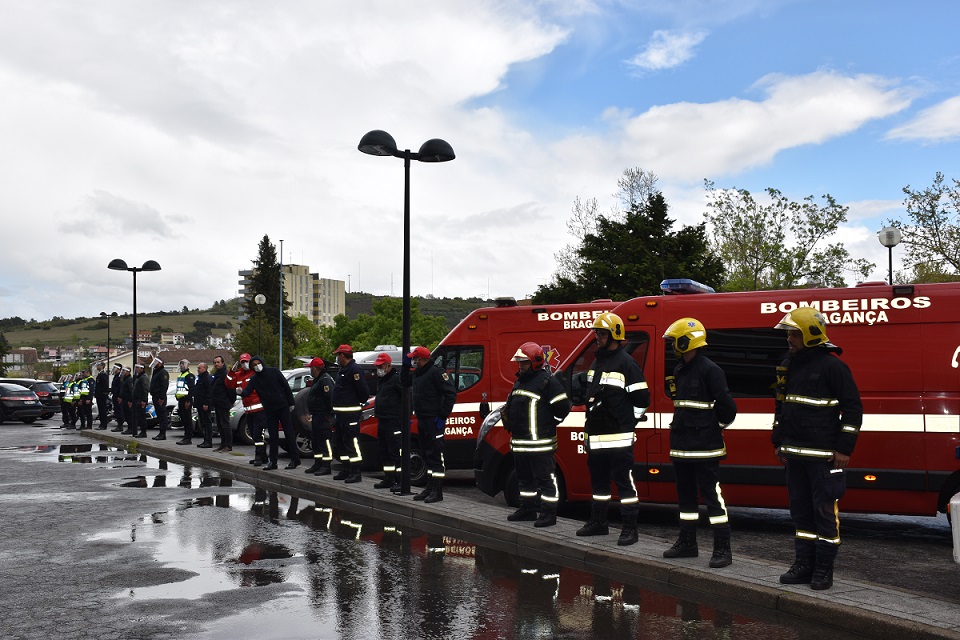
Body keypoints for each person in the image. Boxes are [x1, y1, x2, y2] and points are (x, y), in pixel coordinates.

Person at [773, 307, 862, 591]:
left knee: (824, 513)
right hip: (795, 454)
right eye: (788, 334)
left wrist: (844, 449)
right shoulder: (788, 364)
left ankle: (824, 569)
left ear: (810, 334)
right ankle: (804, 565)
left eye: (793, 333)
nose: (789, 339)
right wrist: (778, 441)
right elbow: (782, 406)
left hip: (824, 455)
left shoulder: (833, 366)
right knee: (800, 513)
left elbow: (853, 409)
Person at [662, 318, 738, 567]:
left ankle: (722, 548)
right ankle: (688, 543)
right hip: (682, 447)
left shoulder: (710, 370)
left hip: (706, 448)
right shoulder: (679, 370)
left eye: (675, 341)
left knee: (712, 497)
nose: (672, 346)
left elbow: (728, 408)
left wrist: (712, 427)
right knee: (685, 499)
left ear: (687, 341)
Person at [577, 312, 650, 545]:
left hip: (619, 438)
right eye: (596, 332)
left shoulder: (627, 363)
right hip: (597, 437)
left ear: (615, 335)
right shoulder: (597, 361)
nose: (597, 337)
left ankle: (630, 528)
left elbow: (642, 399)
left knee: (624, 484)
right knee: (599, 485)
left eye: (601, 333)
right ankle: (599, 523)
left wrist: (629, 422)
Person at [502, 342, 571, 527]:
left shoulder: (547, 382)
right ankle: (528, 509)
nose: (520, 365)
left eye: (523, 362)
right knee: (524, 479)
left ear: (536, 361)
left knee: (545, 480)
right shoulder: (520, 381)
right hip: (520, 442)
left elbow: (563, 407)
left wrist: (550, 423)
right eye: (519, 362)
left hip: (540, 443)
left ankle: (549, 514)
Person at [409, 345, 456, 503]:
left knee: (436, 455)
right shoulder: (418, 373)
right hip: (422, 419)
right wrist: (403, 365)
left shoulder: (436, 372)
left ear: (421, 359)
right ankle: (429, 487)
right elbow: (404, 382)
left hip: (434, 420)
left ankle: (437, 490)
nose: (413, 361)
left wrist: (442, 415)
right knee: (426, 454)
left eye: (414, 358)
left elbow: (450, 394)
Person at [241, 355, 299, 471]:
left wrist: (291, 403)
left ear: (262, 362)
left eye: (258, 363)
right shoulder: (254, 379)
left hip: (282, 407)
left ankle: (295, 459)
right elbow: (247, 391)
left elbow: (286, 386)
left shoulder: (274, 372)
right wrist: (240, 392)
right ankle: (273, 462)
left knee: (289, 433)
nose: (256, 366)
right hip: (269, 409)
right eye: (254, 365)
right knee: (273, 437)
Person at [330, 345, 370, 483]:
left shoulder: (354, 370)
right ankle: (346, 468)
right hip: (341, 414)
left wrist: (355, 403)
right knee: (340, 442)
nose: (337, 357)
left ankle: (355, 471)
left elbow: (363, 392)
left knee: (351, 442)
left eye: (338, 354)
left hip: (350, 414)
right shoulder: (343, 370)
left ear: (343, 355)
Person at [372, 352, 402, 490]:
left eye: (380, 366)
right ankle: (389, 478)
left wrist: (404, 419)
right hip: (383, 420)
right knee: (384, 451)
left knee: (395, 451)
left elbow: (407, 398)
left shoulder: (396, 379)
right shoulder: (383, 380)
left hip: (393, 420)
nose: (378, 368)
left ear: (388, 365)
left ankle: (401, 481)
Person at [226, 353, 262, 458]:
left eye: (246, 361)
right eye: (243, 362)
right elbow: (229, 384)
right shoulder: (238, 375)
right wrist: (231, 372)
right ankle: (260, 456)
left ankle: (259, 457)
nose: (245, 364)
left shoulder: (255, 373)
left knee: (258, 435)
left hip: (259, 409)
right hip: (247, 410)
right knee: (253, 435)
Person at [304, 357, 336, 476]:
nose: (310, 370)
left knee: (324, 440)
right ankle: (318, 463)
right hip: (316, 414)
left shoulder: (325, 380)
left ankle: (326, 465)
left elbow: (330, 398)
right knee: (316, 440)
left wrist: (329, 414)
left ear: (315, 368)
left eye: (311, 368)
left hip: (323, 415)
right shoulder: (318, 379)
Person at [210, 355, 236, 452]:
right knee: (220, 425)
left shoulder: (225, 374)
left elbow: (231, 389)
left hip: (224, 403)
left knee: (225, 425)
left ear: (223, 363)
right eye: (215, 362)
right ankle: (223, 444)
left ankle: (228, 446)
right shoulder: (217, 374)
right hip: (217, 403)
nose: (216, 364)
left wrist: (231, 401)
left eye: (218, 362)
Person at [174, 359, 196, 445]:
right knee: (183, 419)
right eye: (180, 364)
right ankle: (185, 436)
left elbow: (191, 389)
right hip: (180, 399)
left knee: (187, 419)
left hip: (186, 400)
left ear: (188, 365)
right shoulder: (180, 375)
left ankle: (188, 438)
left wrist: (188, 400)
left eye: (183, 364)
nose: (181, 365)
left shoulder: (189, 375)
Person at [193, 362, 213, 448]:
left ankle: (208, 441)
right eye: (198, 368)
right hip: (199, 404)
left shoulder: (207, 378)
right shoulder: (200, 378)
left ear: (204, 369)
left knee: (207, 423)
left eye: (199, 368)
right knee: (202, 423)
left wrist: (206, 403)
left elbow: (209, 392)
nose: (198, 369)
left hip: (205, 405)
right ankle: (205, 440)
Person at [149, 357, 170, 440]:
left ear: (160, 363)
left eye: (156, 362)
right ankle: (160, 433)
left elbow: (164, 386)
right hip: (155, 396)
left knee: (162, 416)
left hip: (160, 397)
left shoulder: (163, 372)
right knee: (159, 416)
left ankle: (162, 434)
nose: (154, 363)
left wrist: (161, 398)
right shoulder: (156, 372)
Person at [132, 363, 151, 438]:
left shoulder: (143, 377)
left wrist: (144, 400)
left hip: (140, 400)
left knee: (142, 416)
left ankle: (143, 432)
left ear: (142, 368)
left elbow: (145, 389)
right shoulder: (138, 377)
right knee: (139, 416)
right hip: (137, 399)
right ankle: (141, 431)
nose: (136, 369)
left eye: (137, 368)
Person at [110, 364, 126, 433]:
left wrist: (120, 396)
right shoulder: (116, 376)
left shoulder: (120, 377)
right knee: (116, 410)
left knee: (119, 411)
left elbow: (120, 387)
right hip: (115, 395)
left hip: (118, 396)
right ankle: (119, 425)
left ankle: (120, 425)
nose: (114, 369)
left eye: (115, 368)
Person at [94, 362, 111, 430]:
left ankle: (103, 425)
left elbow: (104, 385)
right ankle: (102, 424)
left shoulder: (103, 375)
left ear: (102, 366)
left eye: (98, 365)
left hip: (102, 396)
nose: (97, 367)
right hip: (99, 395)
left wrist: (103, 393)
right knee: (100, 411)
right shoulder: (100, 374)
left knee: (103, 410)